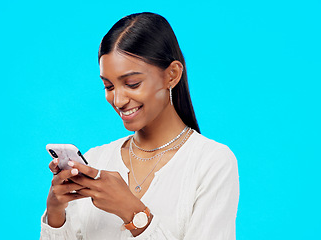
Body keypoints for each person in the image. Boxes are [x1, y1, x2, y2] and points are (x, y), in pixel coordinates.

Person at [40, 12, 239, 239]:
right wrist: (56, 213)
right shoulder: (95, 161)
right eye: (109, 86)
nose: (119, 100)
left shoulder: (211, 163)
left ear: (172, 75)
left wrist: (133, 213)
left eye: (132, 84)